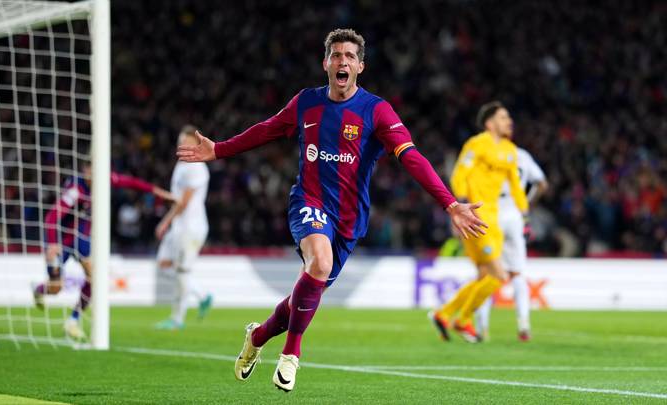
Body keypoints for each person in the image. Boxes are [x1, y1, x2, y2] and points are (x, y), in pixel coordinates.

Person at [176, 28, 487, 392]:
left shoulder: (377, 111)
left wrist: (449, 203)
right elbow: (268, 129)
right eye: (336, 55)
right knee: (319, 264)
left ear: (361, 66)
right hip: (308, 201)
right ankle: (291, 355)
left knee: (303, 298)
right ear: (325, 63)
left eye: (350, 57)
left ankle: (258, 336)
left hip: (350, 220)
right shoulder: (307, 102)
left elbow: (412, 157)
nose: (343, 62)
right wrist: (220, 150)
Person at [33, 165, 174, 340]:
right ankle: (39, 289)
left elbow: (133, 183)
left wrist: (159, 192)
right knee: (56, 288)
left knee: (94, 278)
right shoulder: (76, 189)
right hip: (62, 240)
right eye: (93, 171)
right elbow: (53, 216)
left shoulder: (105, 180)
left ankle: (73, 320)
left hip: (82, 239)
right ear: (86, 170)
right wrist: (52, 243)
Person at [429, 101, 529, 343]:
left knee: (485, 275)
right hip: (477, 216)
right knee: (498, 275)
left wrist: (524, 212)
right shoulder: (476, 144)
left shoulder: (510, 150)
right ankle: (462, 319)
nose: (509, 122)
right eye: (504, 117)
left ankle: (444, 315)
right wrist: (460, 208)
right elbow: (459, 174)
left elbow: (515, 185)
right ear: (490, 123)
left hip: (494, 220)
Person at [475, 147, 548, 341]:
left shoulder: (485, 151)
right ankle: (524, 325)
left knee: (485, 272)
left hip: (491, 213)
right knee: (517, 273)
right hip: (515, 216)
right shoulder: (523, 155)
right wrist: (525, 204)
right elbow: (542, 184)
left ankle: (482, 328)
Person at [154, 125, 213, 330]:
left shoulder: (196, 166)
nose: (181, 144)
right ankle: (202, 295)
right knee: (163, 264)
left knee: (182, 270)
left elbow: (185, 201)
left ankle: (177, 319)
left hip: (191, 226)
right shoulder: (183, 163)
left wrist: (165, 221)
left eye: (186, 141)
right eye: (180, 140)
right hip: (180, 225)